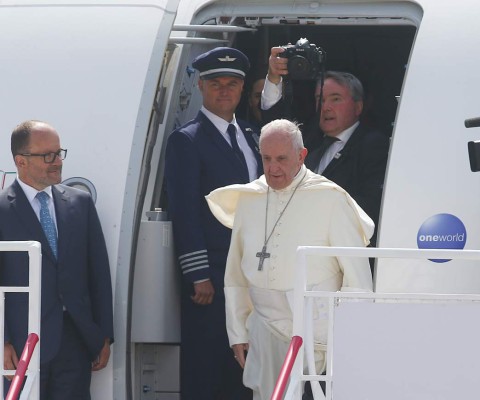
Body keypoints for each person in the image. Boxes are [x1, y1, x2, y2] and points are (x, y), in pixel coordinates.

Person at [206, 119, 373, 400]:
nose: (273, 168)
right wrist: (237, 333)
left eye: (282, 159)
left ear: (301, 155)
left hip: (314, 334)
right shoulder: (250, 198)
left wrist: (346, 342)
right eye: (266, 158)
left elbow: (358, 280)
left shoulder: (330, 198)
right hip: (263, 330)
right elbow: (235, 276)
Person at [164, 47, 261, 400]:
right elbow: (185, 210)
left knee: (247, 364)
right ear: (202, 87)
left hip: (252, 275)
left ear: (241, 87)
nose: (225, 91)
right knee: (208, 366)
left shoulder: (253, 136)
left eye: (232, 83)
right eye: (216, 83)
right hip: (213, 277)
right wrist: (197, 273)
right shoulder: (187, 140)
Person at [0, 120, 113, 398]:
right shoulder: (2, 209)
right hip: (22, 345)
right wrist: (2, 342)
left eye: (59, 153)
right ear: (20, 161)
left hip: (75, 340)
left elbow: (98, 273)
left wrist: (104, 335)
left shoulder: (80, 204)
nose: (57, 162)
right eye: (47, 155)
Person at [262, 47, 389, 246]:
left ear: (358, 107)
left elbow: (370, 204)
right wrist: (274, 77)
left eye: (335, 99)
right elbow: (274, 128)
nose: (326, 107)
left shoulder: (373, 146)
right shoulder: (310, 139)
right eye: (320, 99)